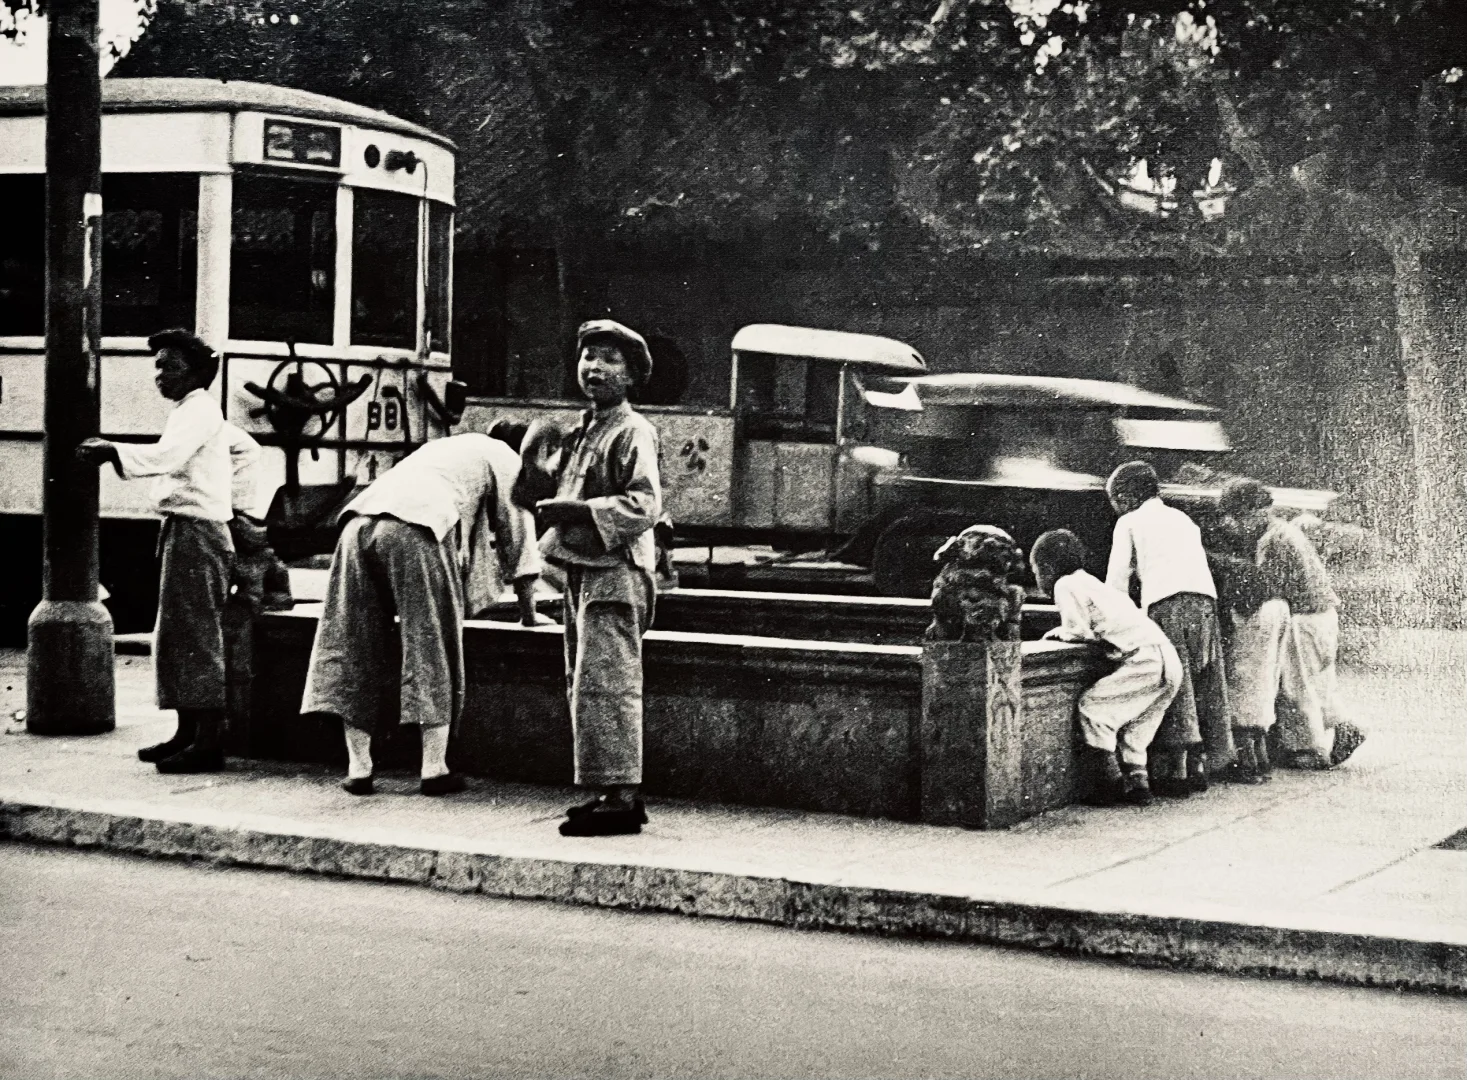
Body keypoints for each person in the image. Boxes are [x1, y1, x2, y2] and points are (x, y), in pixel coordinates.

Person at [300, 433, 543, 796]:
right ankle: (434, 768)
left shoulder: (446, 448)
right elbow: (518, 534)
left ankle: (359, 767)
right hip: (418, 527)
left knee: (351, 640)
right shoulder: (505, 456)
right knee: (430, 642)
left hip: (357, 524)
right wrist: (529, 613)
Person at [76, 328, 235, 774]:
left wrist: (113, 450)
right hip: (184, 530)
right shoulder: (190, 410)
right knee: (178, 637)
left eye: (169, 366)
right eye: (157, 366)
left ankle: (207, 741)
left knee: (196, 637)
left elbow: (167, 457)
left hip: (197, 533)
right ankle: (188, 733)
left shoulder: (199, 411)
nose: (159, 375)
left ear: (197, 372)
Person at [537, 319, 662, 837]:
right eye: (588, 356)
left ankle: (623, 797)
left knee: (609, 684)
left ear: (631, 375)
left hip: (615, 572)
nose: (594, 367)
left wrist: (580, 509)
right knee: (585, 682)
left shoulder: (634, 430)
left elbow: (646, 503)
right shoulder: (586, 428)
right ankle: (609, 790)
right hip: (584, 570)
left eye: (609, 359)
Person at [1217, 477, 1366, 770]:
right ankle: (1345, 728)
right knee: (1317, 683)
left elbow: (1268, 587)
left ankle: (1308, 749)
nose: (1236, 524)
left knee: (1297, 687)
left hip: (1304, 618)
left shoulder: (1275, 540)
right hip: (1320, 615)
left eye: (1239, 516)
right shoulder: (1284, 532)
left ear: (1259, 511)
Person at [1105, 461, 1234, 796]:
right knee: (1205, 681)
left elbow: (1117, 581)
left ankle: (1175, 772)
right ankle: (1202, 765)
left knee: (1174, 681)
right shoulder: (1183, 519)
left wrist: (1113, 624)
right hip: (1205, 602)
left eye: (1115, 500)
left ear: (1126, 496)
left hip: (1167, 602)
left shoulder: (1129, 522)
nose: (1115, 508)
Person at [1032, 529, 1182, 807]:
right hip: (1167, 657)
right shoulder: (1095, 584)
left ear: (1047, 567)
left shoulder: (1064, 585)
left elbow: (1078, 632)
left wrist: (1058, 633)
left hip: (1144, 659)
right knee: (1137, 727)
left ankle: (1108, 785)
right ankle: (1139, 787)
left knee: (1094, 710)